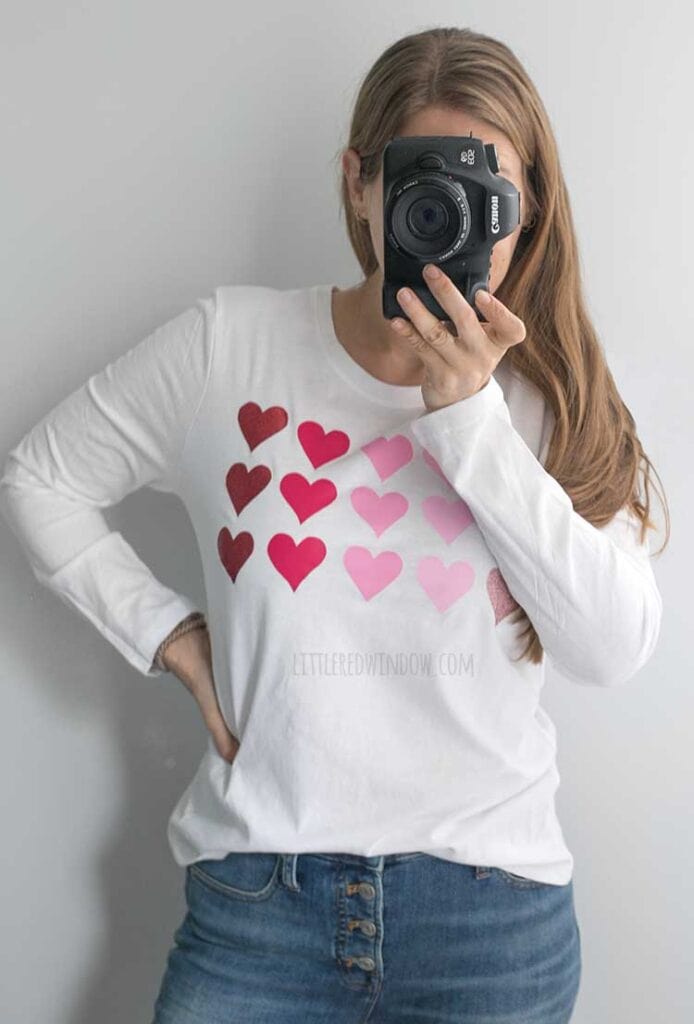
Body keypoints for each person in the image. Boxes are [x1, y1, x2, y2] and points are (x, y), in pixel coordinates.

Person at [0, 25, 669, 1024]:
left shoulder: (550, 396)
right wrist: (168, 633)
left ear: (528, 210)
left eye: (491, 193)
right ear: (359, 183)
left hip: (490, 921)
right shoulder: (230, 348)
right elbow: (41, 477)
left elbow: (613, 650)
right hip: (259, 907)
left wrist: (468, 422)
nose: (453, 221)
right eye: (421, 183)